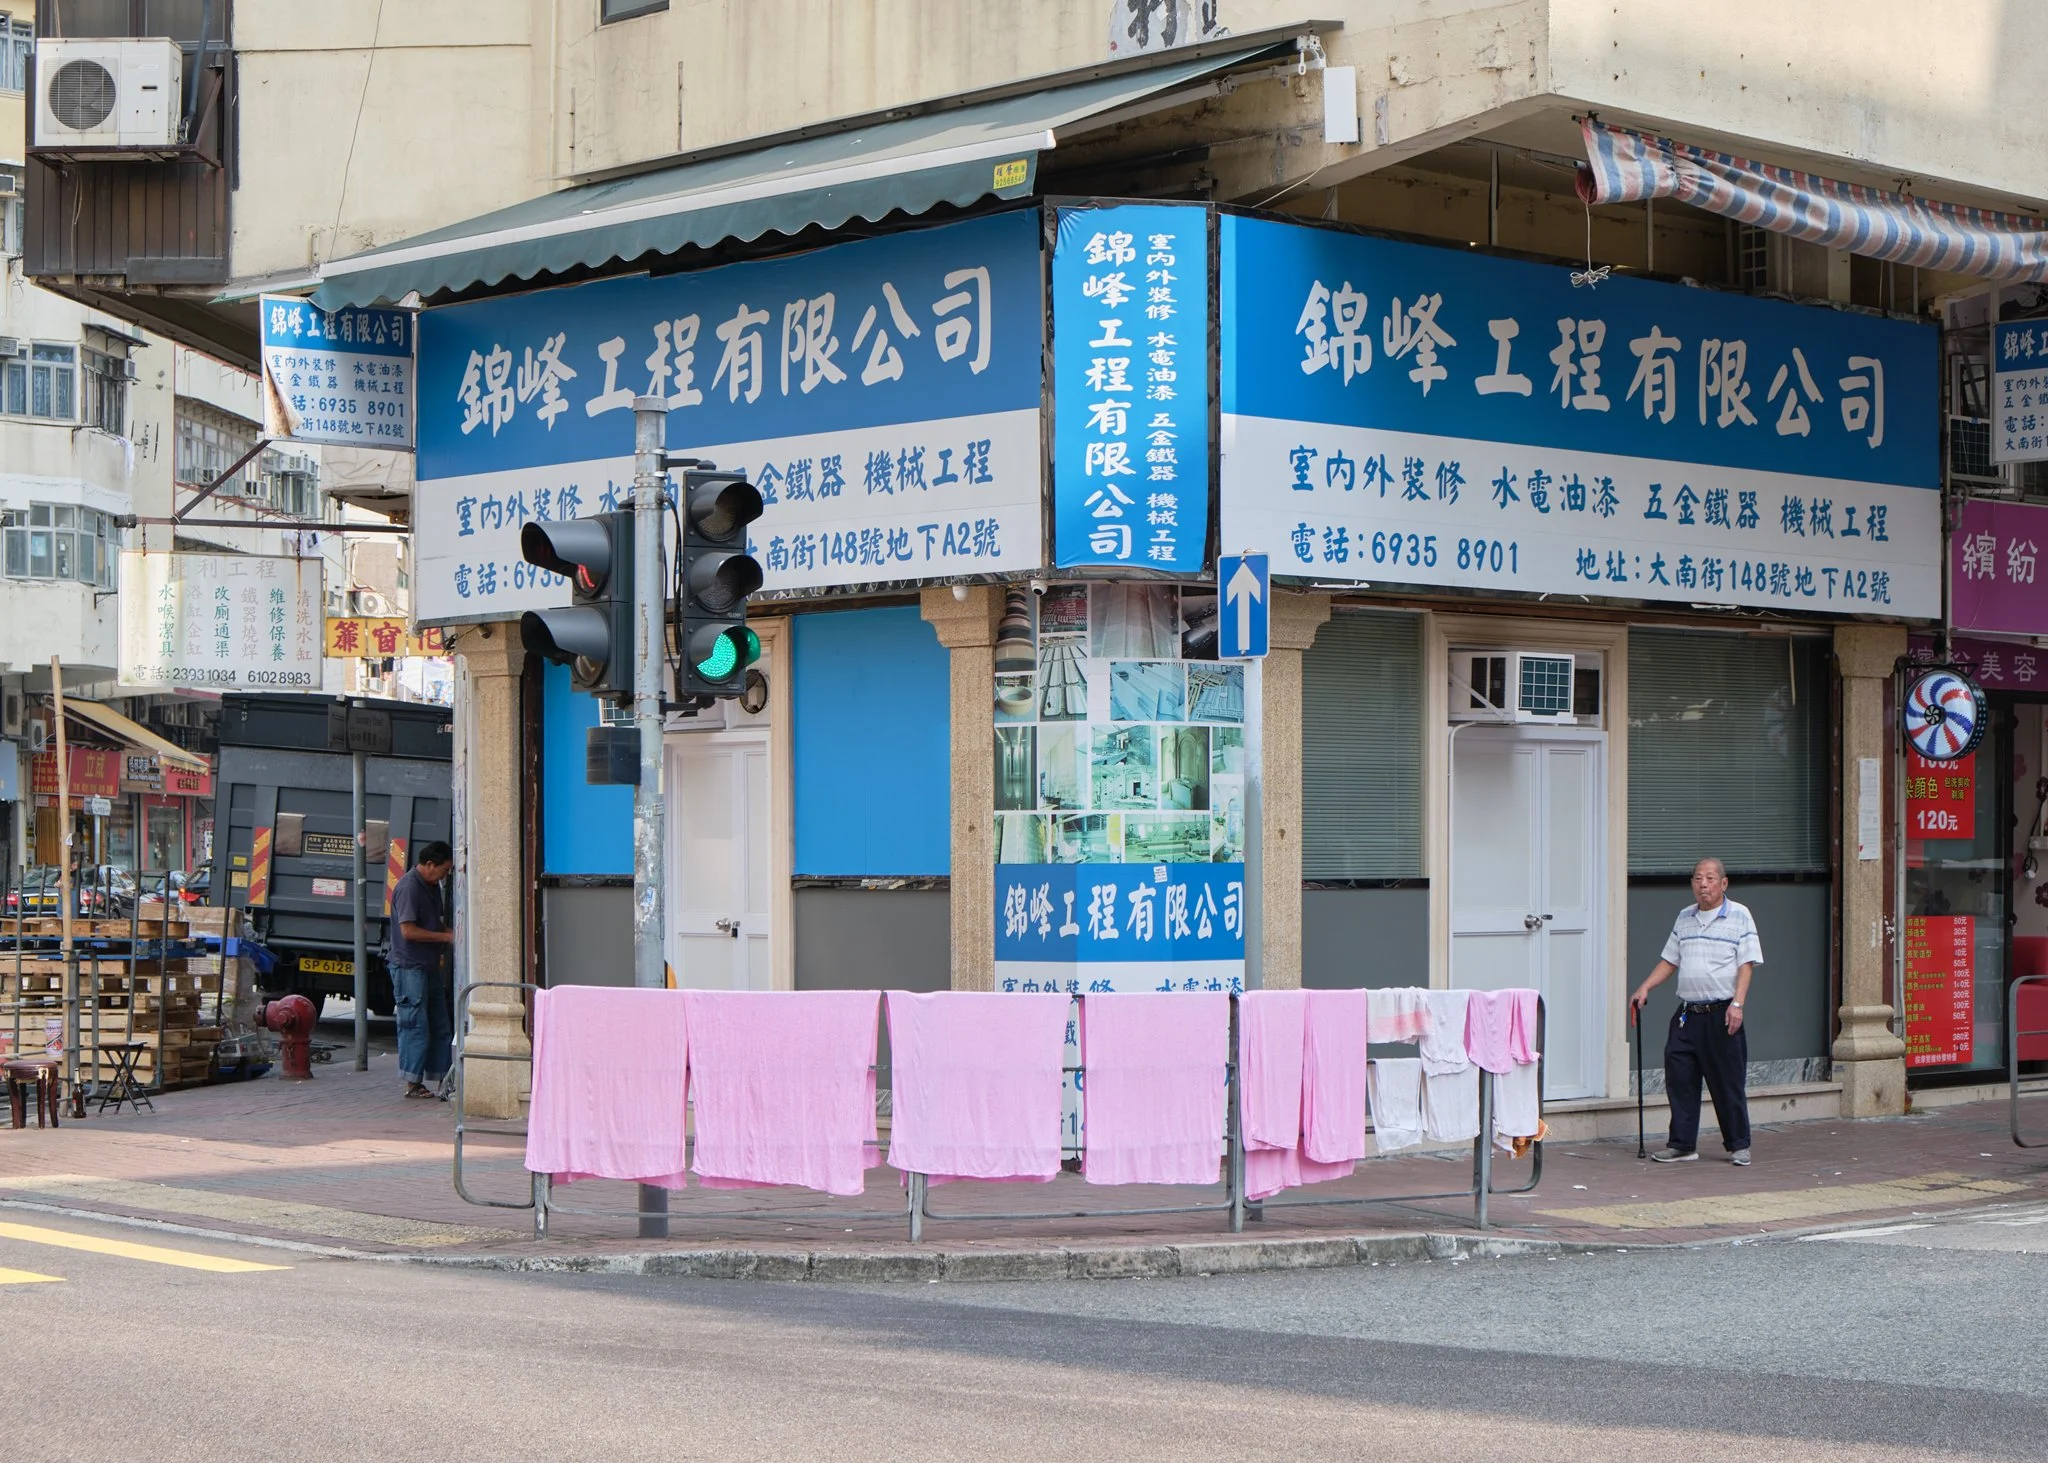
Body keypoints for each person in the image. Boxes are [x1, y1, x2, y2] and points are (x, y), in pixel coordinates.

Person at [1630, 857, 1761, 1166]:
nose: (1704, 884)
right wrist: (1645, 987)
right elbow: (1670, 960)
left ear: (1723, 883)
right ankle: (1682, 1144)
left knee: (1727, 1082)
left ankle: (1739, 1144)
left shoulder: (1740, 915)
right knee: (1680, 1078)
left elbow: (1746, 964)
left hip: (1722, 1012)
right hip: (1687, 1013)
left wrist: (1738, 1004)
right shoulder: (1684, 918)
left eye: (1710, 878)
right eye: (1698, 878)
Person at [389, 841, 455, 1100]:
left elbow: (434, 922)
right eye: (444, 870)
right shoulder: (409, 888)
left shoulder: (430, 886)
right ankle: (412, 1083)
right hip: (409, 967)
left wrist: (447, 931)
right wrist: (445, 939)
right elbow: (408, 931)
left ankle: (440, 1078)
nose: (445, 875)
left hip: (426, 966)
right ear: (429, 865)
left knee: (439, 1023)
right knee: (415, 1024)